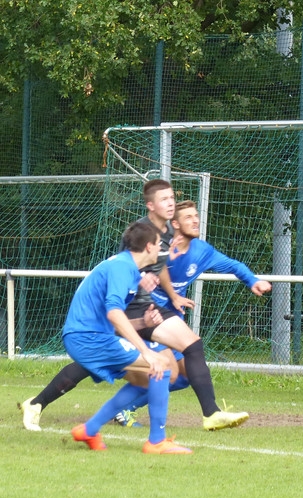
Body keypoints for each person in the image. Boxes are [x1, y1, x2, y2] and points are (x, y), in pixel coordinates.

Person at [19, 180, 249, 431]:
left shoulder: (166, 237)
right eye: (164, 199)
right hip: (123, 312)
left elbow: (154, 268)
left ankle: (50, 407)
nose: (171, 203)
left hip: (140, 311)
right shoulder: (139, 238)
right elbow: (124, 274)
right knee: (164, 366)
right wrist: (142, 284)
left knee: (172, 369)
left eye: (172, 198)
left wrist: (166, 297)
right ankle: (173, 427)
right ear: (150, 206)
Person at [110, 200, 273, 418]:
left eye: (196, 216)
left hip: (171, 321)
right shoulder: (159, 247)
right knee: (163, 369)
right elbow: (139, 269)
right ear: (175, 224)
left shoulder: (202, 251)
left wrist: (252, 281)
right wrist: (172, 295)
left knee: (184, 376)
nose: (196, 220)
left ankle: (123, 409)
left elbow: (233, 265)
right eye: (188, 217)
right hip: (148, 316)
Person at [63, 219, 191, 454]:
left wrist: (143, 323)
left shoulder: (126, 268)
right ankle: (156, 442)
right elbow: (113, 313)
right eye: (158, 244)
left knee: (145, 380)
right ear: (149, 247)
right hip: (87, 338)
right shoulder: (123, 268)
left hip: (90, 336)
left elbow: (112, 319)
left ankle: (89, 430)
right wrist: (146, 352)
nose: (161, 248)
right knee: (160, 366)